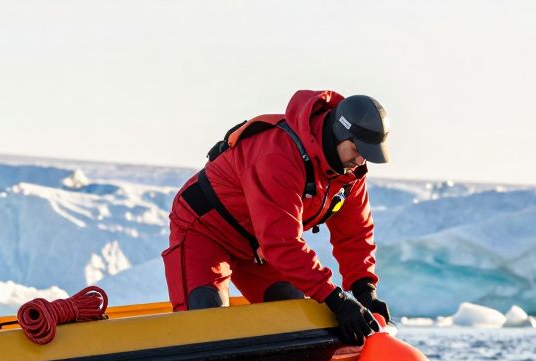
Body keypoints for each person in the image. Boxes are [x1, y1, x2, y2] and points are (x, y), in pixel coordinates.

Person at [163, 89, 392, 345]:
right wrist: (336, 298)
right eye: (357, 149)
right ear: (340, 132)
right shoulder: (279, 155)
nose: (361, 160)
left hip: (259, 244)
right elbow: (281, 242)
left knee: (296, 320)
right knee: (207, 322)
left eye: (368, 154)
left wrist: (365, 290)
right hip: (205, 228)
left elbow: (355, 235)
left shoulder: (350, 174)